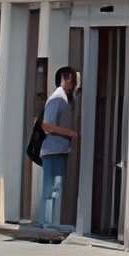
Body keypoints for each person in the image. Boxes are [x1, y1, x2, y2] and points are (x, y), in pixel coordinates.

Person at [38, 68, 78, 229]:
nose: (74, 84)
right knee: (51, 187)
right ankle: (47, 223)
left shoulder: (65, 98)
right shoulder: (57, 98)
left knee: (55, 187)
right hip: (53, 150)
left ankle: (50, 223)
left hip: (59, 150)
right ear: (65, 78)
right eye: (73, 80)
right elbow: (47, 125)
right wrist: (70, 133)